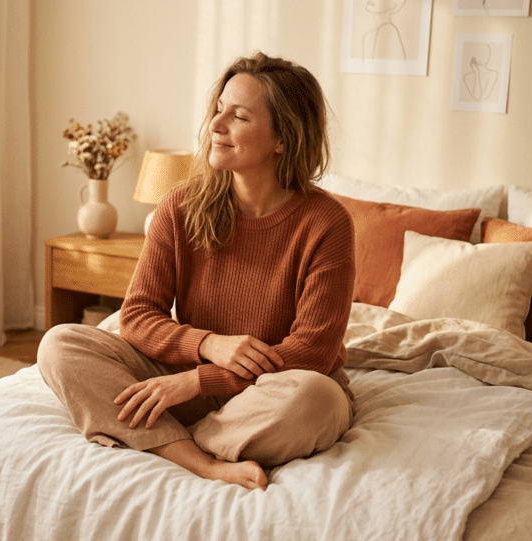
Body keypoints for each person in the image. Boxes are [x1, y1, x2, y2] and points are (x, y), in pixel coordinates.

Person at [38, 52, 355, 491]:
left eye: (238, 116)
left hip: (270, 390)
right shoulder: (181, 205)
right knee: (60, 343)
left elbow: (313, 352)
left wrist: (196, 381)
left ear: (283, 137)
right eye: (218, 110)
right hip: (191, 376)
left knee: (316, 399)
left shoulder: (327, 223)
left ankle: (163, 436)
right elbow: (137, 317)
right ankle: (201, 461)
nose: (216, 126)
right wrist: (208, 345)